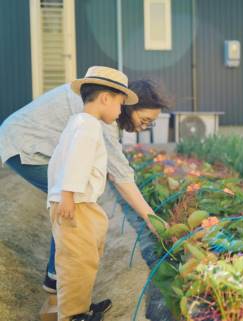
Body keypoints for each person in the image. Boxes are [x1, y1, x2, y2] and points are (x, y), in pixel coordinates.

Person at [0, 69, 169, 299]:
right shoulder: (96, 122)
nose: (143, 127)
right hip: (24, 146)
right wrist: (153, 221)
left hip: (22, 140)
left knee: (74, 204)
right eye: (145, 120)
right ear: (121, 103)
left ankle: (57, 279)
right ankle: (58, 281)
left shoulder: (95, 108)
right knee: (74, 208)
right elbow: (120, 176)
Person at [47, 66, 137, 321]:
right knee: (76, 263)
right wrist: (66, 195)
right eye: (120, 105)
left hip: (78, 202)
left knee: (85, 260)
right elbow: (76, 162)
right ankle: (73, 315)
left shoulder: (77, 123)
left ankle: (81, 307)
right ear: (105, 99)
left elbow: (58, 161)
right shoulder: (88, 127)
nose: (120, 111)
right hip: (76, 204)